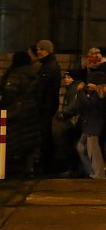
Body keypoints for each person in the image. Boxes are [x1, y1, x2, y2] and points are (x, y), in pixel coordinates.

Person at [1, 51, 39, 177]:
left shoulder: (16, 74)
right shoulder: (33, 73)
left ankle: (5, 166)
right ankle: (29, 168)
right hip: (31, 109)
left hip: (16, 110)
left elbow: (10, 92)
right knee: (29, 139)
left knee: (12, 138)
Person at [33, 39, 61, 173]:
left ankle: (48, 164)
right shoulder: (46, 65)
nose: (38, 51)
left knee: (45, 135)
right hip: (46, 106)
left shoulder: (49, 66)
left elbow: (43, 89)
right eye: (37, 49)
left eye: (41, 49)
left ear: (48, 51)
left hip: (45, 107)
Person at [76, 72, 106, 179]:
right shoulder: (93, 93)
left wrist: (80, 92)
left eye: (91, 83)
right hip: (89, 124)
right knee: (81, 147)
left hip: (94, 125)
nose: (88, 85)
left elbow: (88, 104)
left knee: (93, 150)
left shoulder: (99, 93)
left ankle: (99, 173)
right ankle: (91, 171)